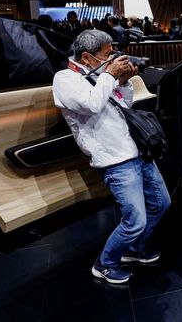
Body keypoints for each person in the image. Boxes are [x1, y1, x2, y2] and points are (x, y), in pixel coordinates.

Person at [52, 29, 170, 284]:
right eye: (107, 54)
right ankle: (105, 264)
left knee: (161, 204)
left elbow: (124, 104)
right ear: (86, 56)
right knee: (135, 220)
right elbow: (91, 105)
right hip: (116, 160)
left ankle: (134, 249)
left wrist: (124, 83)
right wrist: (109, 75)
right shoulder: (64, 79)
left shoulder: (98, 75)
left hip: (138, 150)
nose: (113, 58)